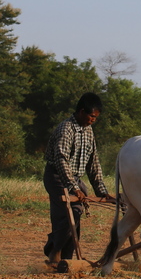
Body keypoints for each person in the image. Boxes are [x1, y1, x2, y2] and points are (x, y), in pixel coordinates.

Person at [42, 92, 114, 264]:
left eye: (95, 117)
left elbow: (93, 163)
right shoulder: (66, 128)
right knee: (72, 212)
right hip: (57, 176)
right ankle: (54, 250)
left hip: (75, 178)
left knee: (73, 218)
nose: (93, 120)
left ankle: (67, 259)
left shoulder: (88, 132)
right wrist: (73, 187)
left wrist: (102, 191)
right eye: (91, 116)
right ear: (81, 111)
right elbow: (61, 159)